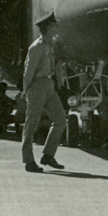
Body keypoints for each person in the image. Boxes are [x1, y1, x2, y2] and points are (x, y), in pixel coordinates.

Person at [21, 13, 68, 172]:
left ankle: (48, 155)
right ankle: (28, 161)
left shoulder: (50, 44)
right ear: (48, 28)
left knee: (61, 119)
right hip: (37, 87)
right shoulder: (37, 47)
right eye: (54, 25)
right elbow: (28, 72)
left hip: (49, 85)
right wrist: (26, 90)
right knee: (31, 125)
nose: (57, 26)